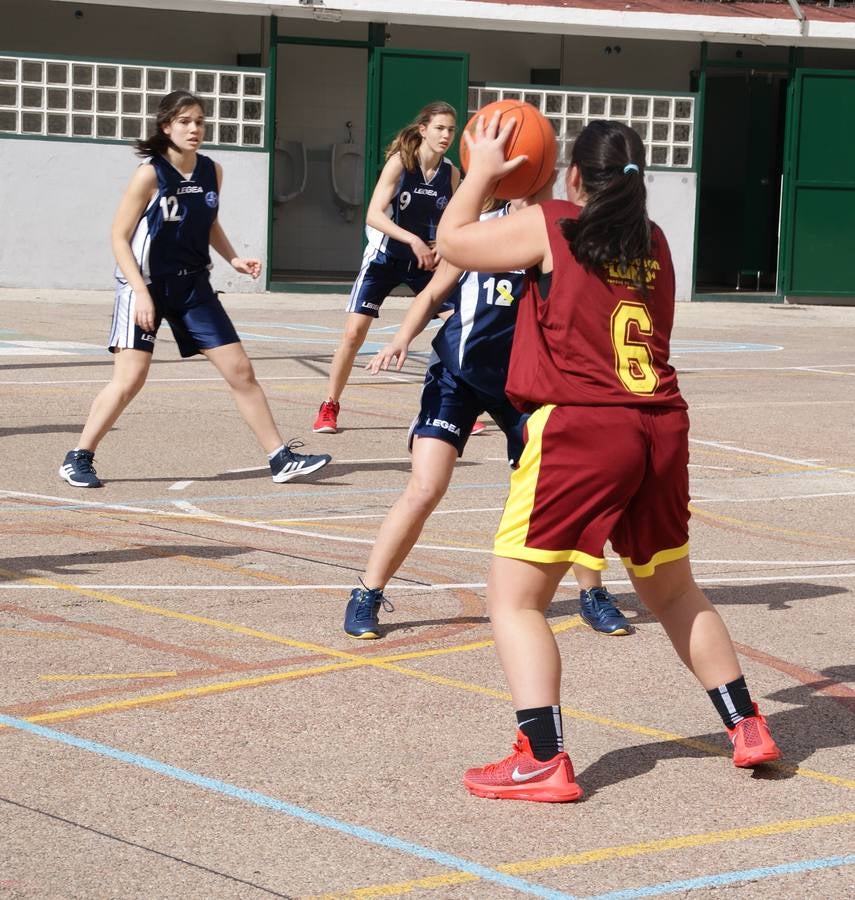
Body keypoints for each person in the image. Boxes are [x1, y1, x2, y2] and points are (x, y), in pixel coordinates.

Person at [435, 114, 781, 803]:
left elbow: (453, 244)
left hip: (581, 429)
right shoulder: (651, 239)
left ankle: (540, 758)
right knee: (676, 591)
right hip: (659, 425)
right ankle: (746, 724)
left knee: (514, 600)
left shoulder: (553, 223)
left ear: (570, 176)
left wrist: (478, 170)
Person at [343, 188, 632, 640]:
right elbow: (435, 290)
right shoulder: (479, 232)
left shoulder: (561, 236)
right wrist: (401, 337)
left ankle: (592, 592)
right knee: (425, 488)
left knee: (567, 490)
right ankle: (368, 591)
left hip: (525, 385)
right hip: (457, 376)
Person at [58, 90, 330, 489]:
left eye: (200, 121)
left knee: (240, 370)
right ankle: (78, 457)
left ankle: (280, 458)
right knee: (130, 378)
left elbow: (209, 223)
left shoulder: (211, 170)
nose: (194, 129)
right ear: (167, 126)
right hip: (146, 285)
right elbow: (118, 237)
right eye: (185, 121)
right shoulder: (150, 174)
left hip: (193, 285)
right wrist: (142, 294)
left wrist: (233, 258)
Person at [312, 101, 460, 435]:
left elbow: (456, 216)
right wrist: (414, 240)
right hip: (385, 257)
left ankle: (454, 402)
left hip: (423, 261)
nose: (446, 135)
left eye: (451, 129)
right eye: (439, 128)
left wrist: (442, 244)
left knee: (457, 323)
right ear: (423, 129)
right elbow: (374, 214)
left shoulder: (450, 172)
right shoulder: (400, 163)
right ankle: (329, 405)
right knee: (353, 334)